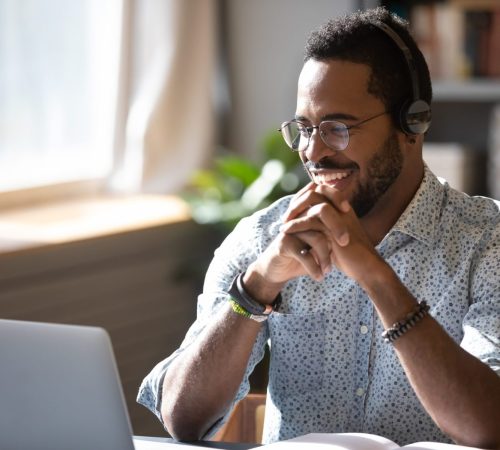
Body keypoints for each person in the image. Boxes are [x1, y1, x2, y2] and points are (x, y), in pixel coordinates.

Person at [137, 7, 500, 448]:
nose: (314, 152)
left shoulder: (487, 242)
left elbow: (490, 426)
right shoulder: (262, 239)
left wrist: (375, 275)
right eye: (305, 128)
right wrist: (257, 286)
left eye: (338, 128)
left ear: (413, 123)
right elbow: (182, 419)